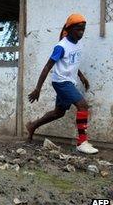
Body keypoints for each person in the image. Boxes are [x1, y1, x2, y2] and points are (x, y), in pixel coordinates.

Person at [26, 13, 98, 154]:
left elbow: (71, 63)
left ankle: (32, 126)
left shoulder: (78, 43)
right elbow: (47, 67)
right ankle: (82, 142)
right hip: (61, 82)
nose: (81, 32)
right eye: (78, 29)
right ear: (69, 29)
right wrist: (37, 89)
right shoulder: (61, 47)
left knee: (58, 113)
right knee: (82, 106)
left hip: (68, 81)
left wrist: (81, 76)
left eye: (83, 29)